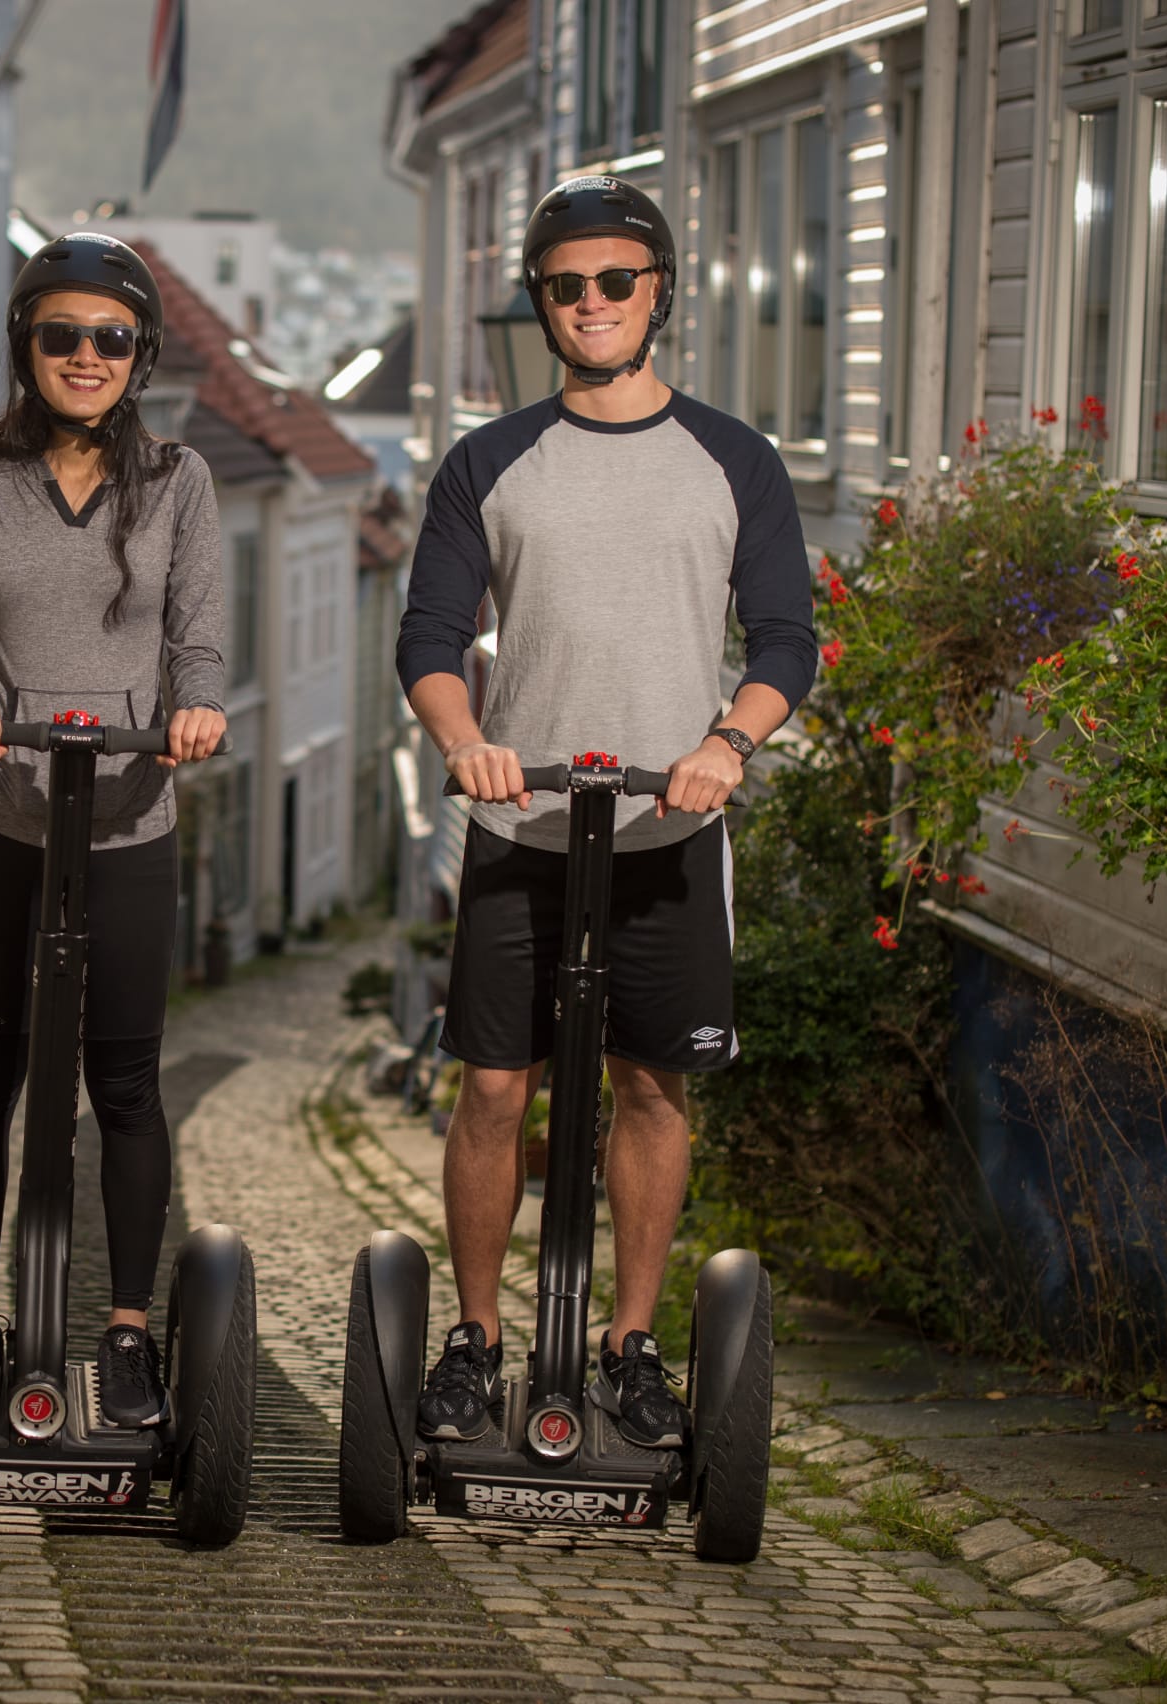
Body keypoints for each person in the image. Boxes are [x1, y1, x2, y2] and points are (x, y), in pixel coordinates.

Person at [394, 177, 817, 1450]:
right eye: (566, 285)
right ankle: (473, 1340)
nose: (591, 304)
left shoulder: (735, 460)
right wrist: (466, 742)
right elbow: (428, 632)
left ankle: (631, 1345)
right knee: (488, 1091)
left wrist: (726, 744)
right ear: (541, 302)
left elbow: (786, 638)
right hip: (523, 829)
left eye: (615, 282)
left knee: (651, 1089)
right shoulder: (489, 460)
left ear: (658, 294)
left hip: (667, 834)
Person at [0, 232, 228, 1430]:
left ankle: (130, 1334)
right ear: (25, 346)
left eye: (109, 338)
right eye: (61, 334)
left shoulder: (181, 481)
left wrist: (196, 706)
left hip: (130, 821)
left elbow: (198, 635)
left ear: (137, 355)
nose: (84, 356)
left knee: (126, 1085)